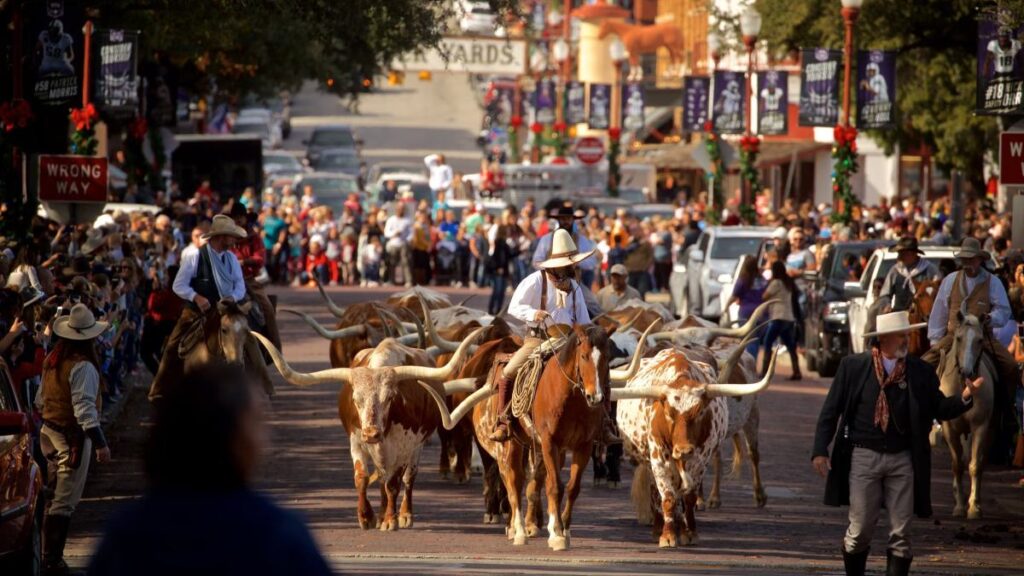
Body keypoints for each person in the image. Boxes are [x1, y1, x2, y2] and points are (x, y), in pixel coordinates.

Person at [87, 362, 332, 576]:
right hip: (197, 310)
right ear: (236, 438)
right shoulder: (279, 534)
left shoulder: (124, 533)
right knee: (173, 345)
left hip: (237, 309)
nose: (266, 439)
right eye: (257, 423)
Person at [812, 311, 981, 576]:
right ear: (884, 338)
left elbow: (939, 407)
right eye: (902, 335)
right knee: (859, 531)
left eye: (907, 334)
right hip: (863, 456)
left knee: (902, 534)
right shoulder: (853, 367)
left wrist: (965, 397)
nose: (907, 340)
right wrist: (820, 450)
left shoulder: (920, 371)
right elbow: (830, 411)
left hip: (903, 459)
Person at [496, 229, 617, 444]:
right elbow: (515, 306)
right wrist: (534, 313)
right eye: (568, 262)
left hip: (569, 341)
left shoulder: (575, 287)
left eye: (572, 262)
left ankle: (603, 423)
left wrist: (591, 335)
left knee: (600, 371)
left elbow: (583, 319)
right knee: (509, 371)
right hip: (537, 340)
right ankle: (504, 421)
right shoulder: (536, 281)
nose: (572, 266)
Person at [37, 304, 112, 576]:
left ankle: (48, 557)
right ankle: (52, 561)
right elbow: (84, 411)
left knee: (54, 496)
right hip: (71, 439)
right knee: (63, 501)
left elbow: (39, 400)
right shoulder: (83, 367)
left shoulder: (52, 359)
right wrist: (101, 443)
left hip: (48, 433)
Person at [149, 215, 250, 401]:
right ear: (221, 236)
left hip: (225, 310)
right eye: (232, 236)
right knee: (172, 345)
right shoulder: (195, 256)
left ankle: (259, 384)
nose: (235, 240)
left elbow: (240, 286)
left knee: (248, 339)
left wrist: (232, 297)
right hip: (195, 312)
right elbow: (178, 285)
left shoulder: (232, 259)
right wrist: (196, 297)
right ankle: (158, 389)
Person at [923, 238, 1019, 401]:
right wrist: (935, 342)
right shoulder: (950, 280)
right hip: (953, 336)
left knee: (1010, 366)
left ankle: (1008, 410)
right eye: (964, 259)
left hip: (982, 337)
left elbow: (1003, 310)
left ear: (980, 259)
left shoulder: (993, 282)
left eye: (971, 259)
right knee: (924, 365)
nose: (967, 263)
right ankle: (927, 410)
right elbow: (939, 312)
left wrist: (991, 318)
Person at [231, 204, 281, 352]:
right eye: (235, 218)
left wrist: (244, 262)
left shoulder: (253, 238)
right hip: (227, 281)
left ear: (246, 218)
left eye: (240, 217)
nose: (238, 220)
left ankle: (274, 349)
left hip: (248, 279)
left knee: (268, 309)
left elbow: (260, 258)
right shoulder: (225, 236)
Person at [532, 204, 599, 290]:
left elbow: (592, 262)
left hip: (575, 283)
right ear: (558, 220)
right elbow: (536, 261)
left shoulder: (581, 240)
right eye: (563, 219)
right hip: (550, 283)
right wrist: (551, 270)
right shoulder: (547, 239)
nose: (566, 221)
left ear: (573, 220)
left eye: (568, 219)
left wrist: (577, 262)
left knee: (592, 303)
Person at [877, 237, 941, 313]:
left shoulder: (929, 269)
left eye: (902, 253)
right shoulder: (895, 270)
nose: (899, 257)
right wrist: (887, 305)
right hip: (899, 316)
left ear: (912, 253)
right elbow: (885, 293)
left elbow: (938, 291)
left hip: (923, 318)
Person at [762, 260, 802, 380]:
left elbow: (765, 296)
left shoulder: (776, 283)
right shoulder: (788, 282)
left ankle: (764, 372)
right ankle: (797, 371)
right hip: (788, 317)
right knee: (790, 345)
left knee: (767, 342)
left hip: (778, 317)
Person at [727, 255, 768, 356]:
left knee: (746, 339)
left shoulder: (743, 280)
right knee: (755, 340)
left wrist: (725, 308)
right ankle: (753, 362)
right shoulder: (763, 280)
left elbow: (734, 296)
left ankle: (748, 363)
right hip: (760, 313)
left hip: (745, 313)